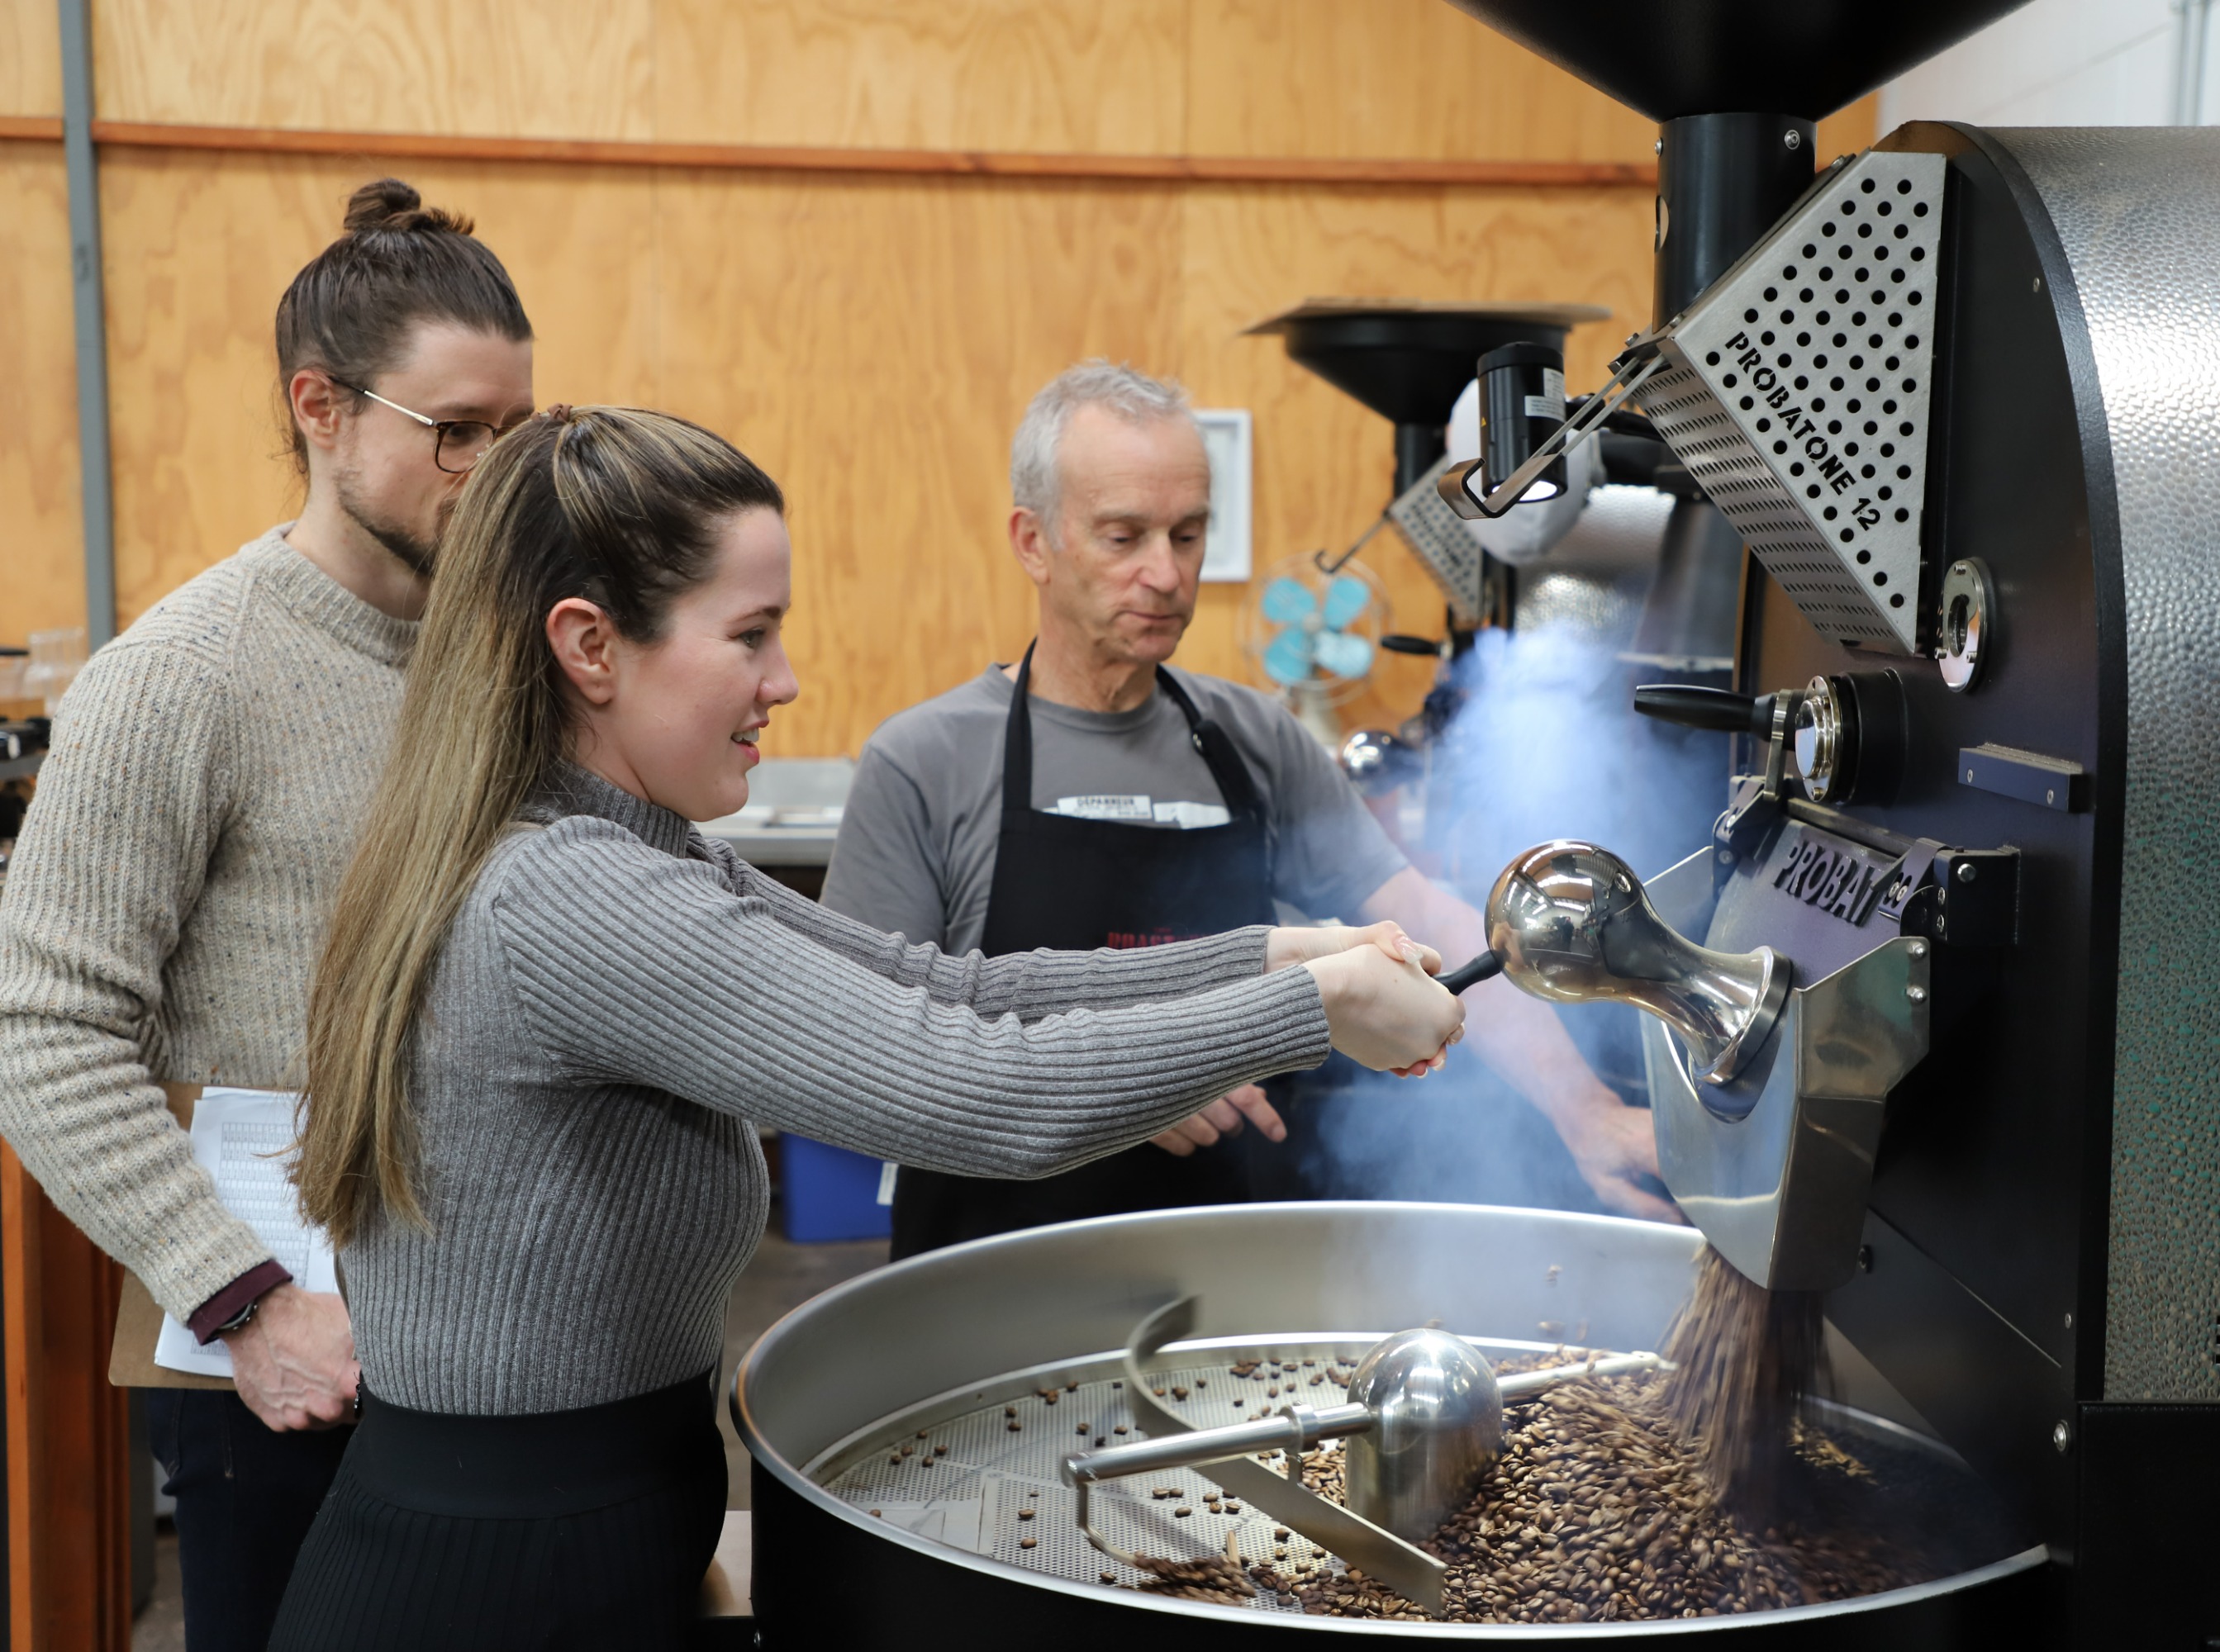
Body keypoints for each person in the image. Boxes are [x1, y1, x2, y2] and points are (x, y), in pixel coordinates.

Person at [267, 405, 1459, 1648]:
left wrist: (1277, 951)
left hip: (589, 1531)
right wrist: (1307, 1010)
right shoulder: (571, 896)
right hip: (491, 1584)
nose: (784, 682)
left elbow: (951, 987)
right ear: (590, 647)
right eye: (750, 637)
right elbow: (975, 1086)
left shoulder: (637, 849)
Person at [0, 179, 533, 1650]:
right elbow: (43, 1037)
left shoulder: (513, 663)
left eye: (517, 432)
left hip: (494, 1339)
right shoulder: (179, 680)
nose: (493, 473)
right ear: (322, 407)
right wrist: (242, 1304)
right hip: (280, 1366)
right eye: (457, 435)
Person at [823, 362, 1678, 1258]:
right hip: (991, 1269)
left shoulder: (1254, 739)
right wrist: (1128, 1083)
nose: (1166, 572)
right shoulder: (925, 760)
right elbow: (866, 1057)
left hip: (1225, 1265)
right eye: (1124, 536)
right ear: (1033, 542)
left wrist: (1588, 1112)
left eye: (1188, 534)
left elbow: (1428, 920)